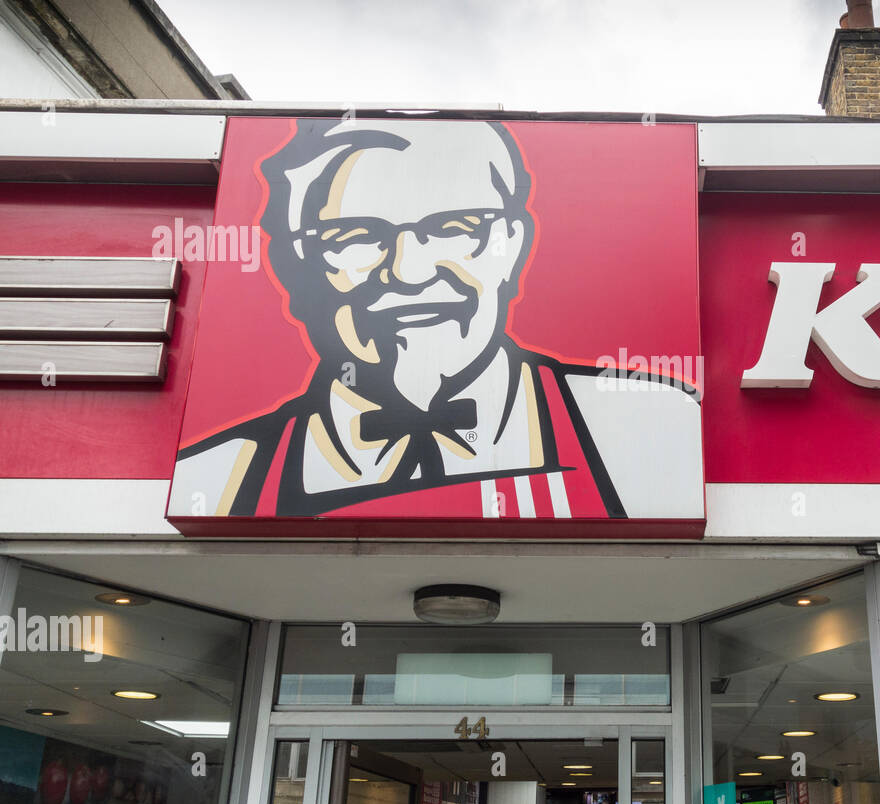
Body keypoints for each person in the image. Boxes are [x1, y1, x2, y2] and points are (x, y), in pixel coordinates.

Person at [170, 119, 700, 521]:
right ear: (300, 266)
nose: (408, 270)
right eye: (357, 237)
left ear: (511, 246)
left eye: (454, 227)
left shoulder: (651, 427)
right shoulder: (218, 479)